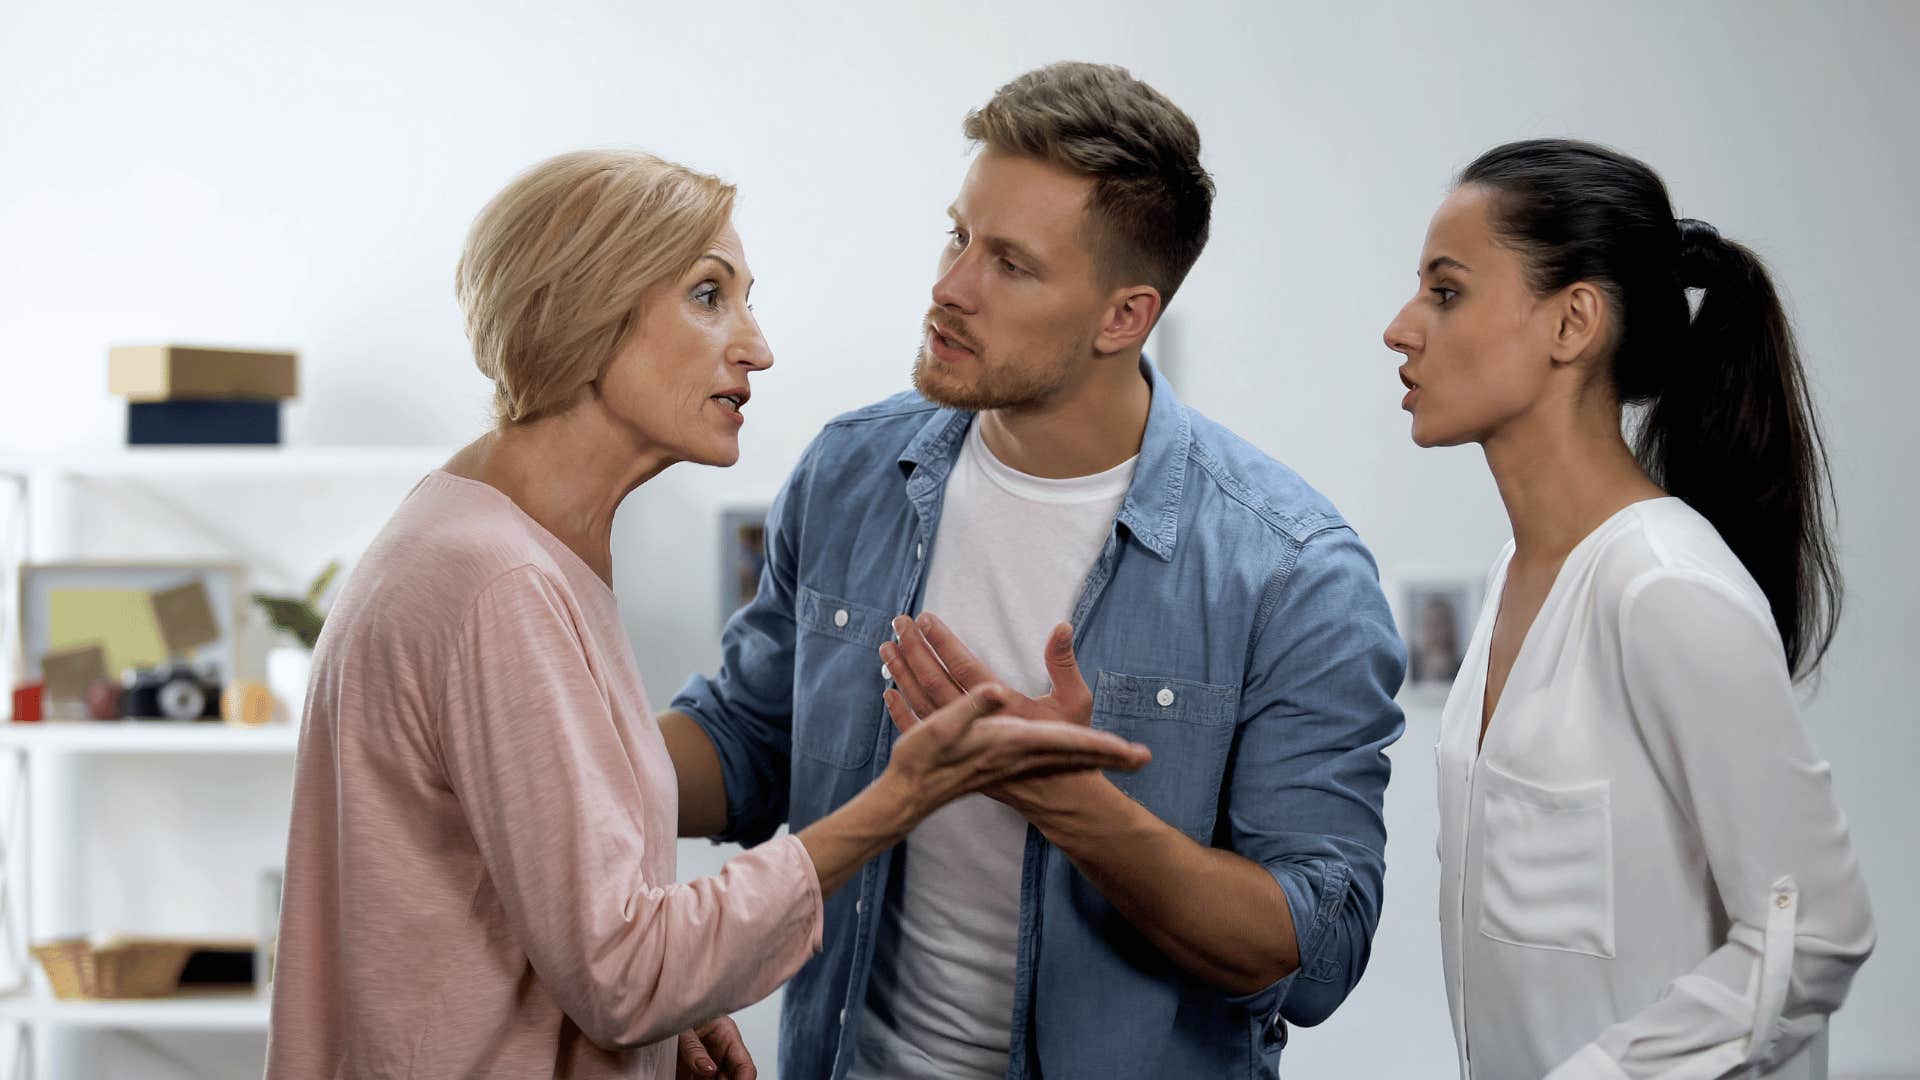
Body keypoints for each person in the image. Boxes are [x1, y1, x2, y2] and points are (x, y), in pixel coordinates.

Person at [264, 149, 1150, 1080]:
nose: (756, 346)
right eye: (706, 295)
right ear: (584, 314)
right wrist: (906, 793)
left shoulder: (506, 540)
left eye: (745, 298)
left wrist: (659, 1020)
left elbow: (541, 897)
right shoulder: (496, 582)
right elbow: (622, 968)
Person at [660, 63, 1406, 1079]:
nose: (950, 286)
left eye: (1011, 264)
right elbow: (748, 742)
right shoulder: (852, 472)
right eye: (959, 235)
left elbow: (1316, 952)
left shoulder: (1293, 574)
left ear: (1124, 316)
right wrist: (550, 760)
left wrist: (1071, 804)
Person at [1383, 137, 1875, 1078]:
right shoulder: (1517, 578)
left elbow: (1815, 932)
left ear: (1573, 323)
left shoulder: (1666, 588)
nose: (1402, 328)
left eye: (1446, 292)